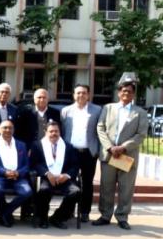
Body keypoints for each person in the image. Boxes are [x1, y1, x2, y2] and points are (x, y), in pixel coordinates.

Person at [93, 77, 148, 230]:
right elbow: (100, 128)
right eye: (123, 91)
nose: (126, 94)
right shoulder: (108, 108)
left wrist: (123, 147)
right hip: (109, 154)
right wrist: (110, 147)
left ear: (133, 94)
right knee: (106, 187)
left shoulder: (140, 113)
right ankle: (105, 215)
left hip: (127, 156)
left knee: (126, 188)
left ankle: (122, 216)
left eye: (129, 92)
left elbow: (141, 134)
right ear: (118, 93)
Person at [60, 84, 101, 222]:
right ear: (73, 95)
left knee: (87, 183)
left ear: (88, 95)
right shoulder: (66, 111)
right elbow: (63, 131)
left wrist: (98, 150)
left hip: (88, 152)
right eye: (78, 93)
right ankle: (69, 210)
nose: (81, 95)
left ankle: (84, 212)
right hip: (71, 152)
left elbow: (100, 132)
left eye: (84, 93)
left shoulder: (97, 110)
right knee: (69, 181)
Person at [30, 121, 80, 229]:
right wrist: (46, 173)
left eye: (56, 131)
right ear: (45, 132)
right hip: (47, 178)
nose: (54, 133)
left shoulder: (68, 146)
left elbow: (75, 165)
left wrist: (66, 175)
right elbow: (34, 163)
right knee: (43, 190)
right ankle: (43, 218)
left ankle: (58, 218)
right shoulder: (38, 145)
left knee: (75, 192)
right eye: (51, 131)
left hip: (64, 179)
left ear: (60, 132)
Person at [0, 120, 31, 227]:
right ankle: (4, 214)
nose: (7, 130)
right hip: (0, 176)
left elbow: (27, 165)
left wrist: (18, 173)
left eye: (10, 128)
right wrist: (4, 172)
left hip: (17, 177)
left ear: (14, 130)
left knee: (27, 192)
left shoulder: (21, 145)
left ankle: (5, 212)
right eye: (5, 128)